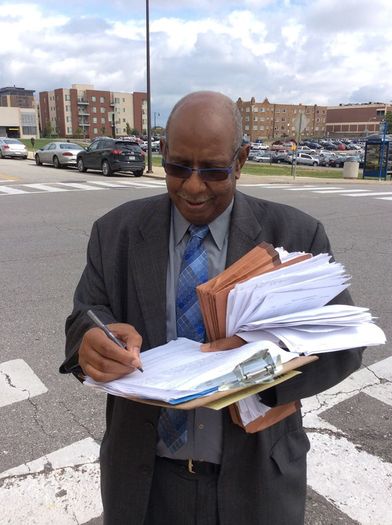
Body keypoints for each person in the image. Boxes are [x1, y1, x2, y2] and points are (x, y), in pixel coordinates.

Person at [60, 91, 363, 525]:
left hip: (256, 482)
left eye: (215, 170)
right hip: (144, 483)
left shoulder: (296, 236)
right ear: (161, 153)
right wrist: (90, 341)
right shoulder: (116, 232)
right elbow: (86, 314)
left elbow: (344, 346)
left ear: (241, 160)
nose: (194, 186)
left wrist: (264, 381)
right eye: (179, 167)